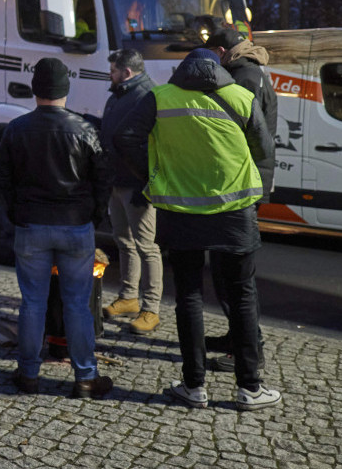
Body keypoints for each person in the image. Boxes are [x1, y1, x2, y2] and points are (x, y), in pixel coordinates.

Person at [113, 48, 281, 410]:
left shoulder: (161, 97)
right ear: (218, 69)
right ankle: (250, 388)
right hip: (235, 211)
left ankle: (194, 386)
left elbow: (124, 137)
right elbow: (265, 148)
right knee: (242, 295)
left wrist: (152, 174)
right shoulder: (240, 96)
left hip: (180, 210)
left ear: (181, 69)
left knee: (188, 296)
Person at [0, 57, 114, 398]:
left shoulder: (16, 129)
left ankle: (28, 374)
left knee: (33, 303)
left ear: (35, 90)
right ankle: (85, 377)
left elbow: (1, 178)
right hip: (75, 225)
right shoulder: (85, 129)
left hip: (31, 225)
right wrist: (93, 215)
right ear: (65, 90)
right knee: (77, 305)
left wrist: (16, 213)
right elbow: (103, 178)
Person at [204, 29, 278, 372]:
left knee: (232, 273)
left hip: (239, 185)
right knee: (230, 270)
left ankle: (248, 349)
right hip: (246, 182)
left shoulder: (242, 77)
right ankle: (238, 338)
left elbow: (236, 134)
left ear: (221, 50)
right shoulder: (252, 71)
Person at [99, 49, 162, 335]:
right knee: (124, 241)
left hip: (136, 183)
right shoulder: (120, 95)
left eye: (113, 70)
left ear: (126, 72)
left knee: (146, 246)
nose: (109, 75)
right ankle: (128, 298)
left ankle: (151, 309)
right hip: (117, 180)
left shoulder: (147, 95)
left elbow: (155, 143)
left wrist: (146, 183)